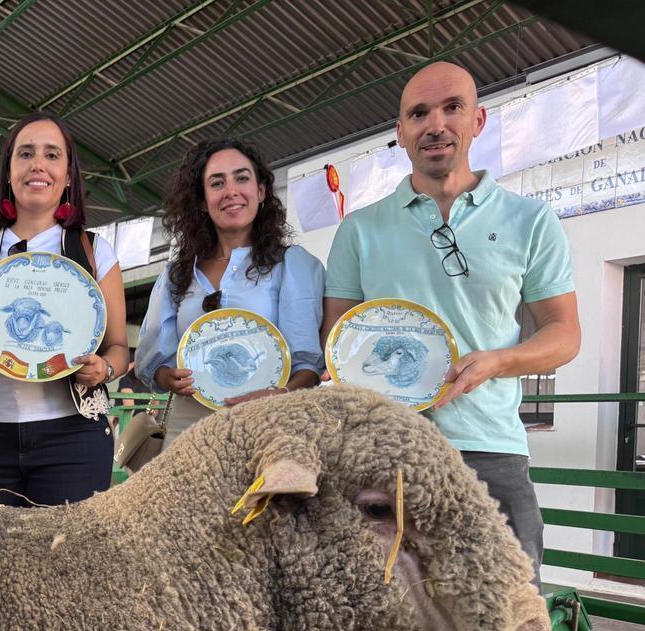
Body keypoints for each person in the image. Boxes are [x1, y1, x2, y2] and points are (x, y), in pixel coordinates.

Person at [322, 62, 581, 586]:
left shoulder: (530, 221)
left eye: (452, 108)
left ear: (478, 120)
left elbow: (564, 333)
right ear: (400, 132)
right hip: (382, 449)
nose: (435, 124)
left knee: (504, 609)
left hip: (490, 449)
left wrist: (498, 362)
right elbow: (337, 339)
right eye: (419, 113)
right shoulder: (359, 230)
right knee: (374, 611)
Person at [0, 112, 128, 508]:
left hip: (72, 440)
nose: (38, 164)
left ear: (68, 177)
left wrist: (103, 369)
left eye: (52, 155)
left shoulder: (94, 251)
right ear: (8, 171)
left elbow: (119, 348)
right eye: (25, 154)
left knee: (67, 548)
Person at [136, 139, 325, 446]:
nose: (231, 191)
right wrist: (165, 377)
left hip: (269, 427)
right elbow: (154, 361)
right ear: (202, 201)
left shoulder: (292, 265)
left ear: (261, 192)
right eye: (217, 183)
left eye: (242, 178)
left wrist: (281, 395)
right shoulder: (176, 274)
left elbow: (307, 365)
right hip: (189, 430)